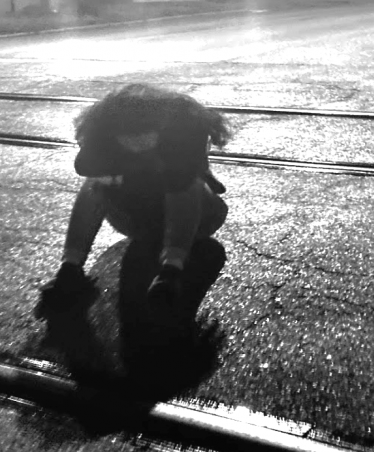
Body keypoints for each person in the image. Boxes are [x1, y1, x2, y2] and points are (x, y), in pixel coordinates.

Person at [39, 83, 231, 312]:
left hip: (200, 221)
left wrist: (130, 173)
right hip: (135, 221)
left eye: (145, 130)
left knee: (187, 184)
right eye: (127, 134)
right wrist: (133, 173)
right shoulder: (104, 133)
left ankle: (172, 269)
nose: (137, 139)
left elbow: (181, 178)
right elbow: (84, 166)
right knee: (94, 184)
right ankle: (70, 267)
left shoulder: (185, 128)